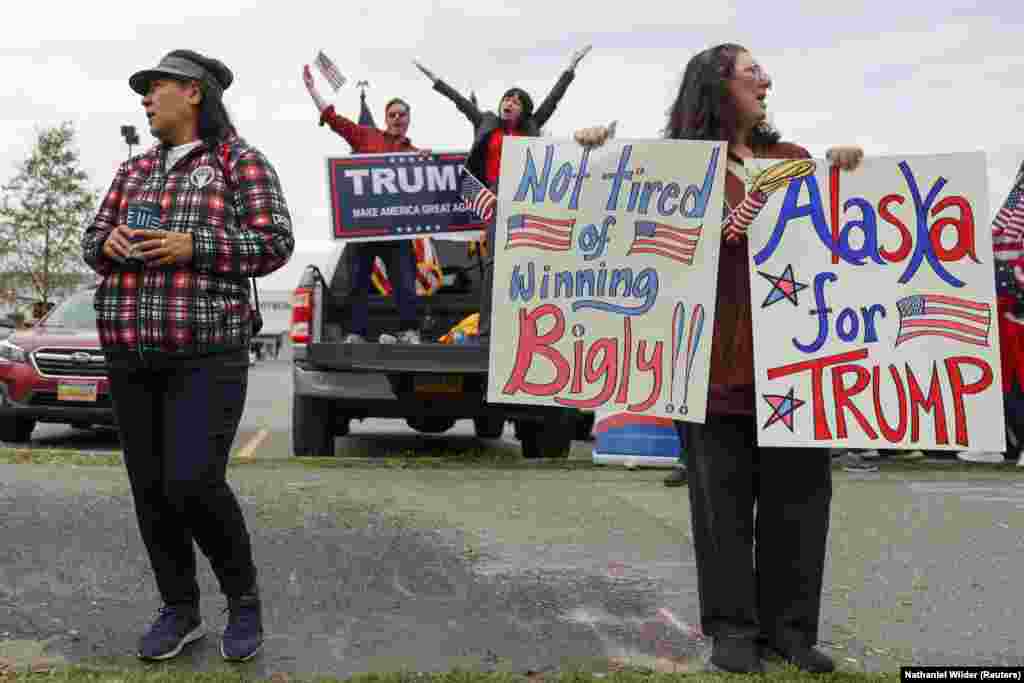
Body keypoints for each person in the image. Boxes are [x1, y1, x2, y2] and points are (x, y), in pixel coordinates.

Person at [576, 44, 863, 674]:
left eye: (764, 71)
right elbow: (604, 218)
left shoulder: (794, 163)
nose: (766, 79)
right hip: (711, 365)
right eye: (752, 71)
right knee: (720, 507)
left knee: (800, 503)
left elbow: (845, 235)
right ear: (715, 86)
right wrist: (588, 156)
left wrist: (848, 173)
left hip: (797, 367)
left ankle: (791, 631)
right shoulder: (673, 168)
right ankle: (733, 631)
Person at [82, 49, 294, 663]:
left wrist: (192, 245)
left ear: (194, 92)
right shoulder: (133, 170)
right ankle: (179, 609)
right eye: (143, 91)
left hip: (207, 352)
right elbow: (93, 240)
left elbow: (274, 242)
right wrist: (110, 242)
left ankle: (244, 601)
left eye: (155, 88)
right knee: (150, 490)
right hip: (129, 351)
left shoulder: (239, 161)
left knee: (193, 483)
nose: (146, 99)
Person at [413, 45, 590, 341]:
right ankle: (486, 332)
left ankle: (529, 329)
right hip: (496, 197)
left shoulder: (532, 126)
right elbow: (458, 101)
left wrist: (570, 69)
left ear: (525, 111)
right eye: (507, 98)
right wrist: (435, 79)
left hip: (527, 198)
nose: (510, 102)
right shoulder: (486, 122)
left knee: (527, 262)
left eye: (517, 101)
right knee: (495, 264)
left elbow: (553, 100)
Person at [303, 64, 422, 344]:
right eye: (391, 114)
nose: (396, 118)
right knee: (357, 282)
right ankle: (354, 333)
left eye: (401, 114)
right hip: (364, 228)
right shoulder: (366, 136)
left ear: (408, 119)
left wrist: (427, 165)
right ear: (385, 118)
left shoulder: (416, 155)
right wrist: (312, 90)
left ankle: (409, 331)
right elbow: (334, 119)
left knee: (405, 283)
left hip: (396, 231)